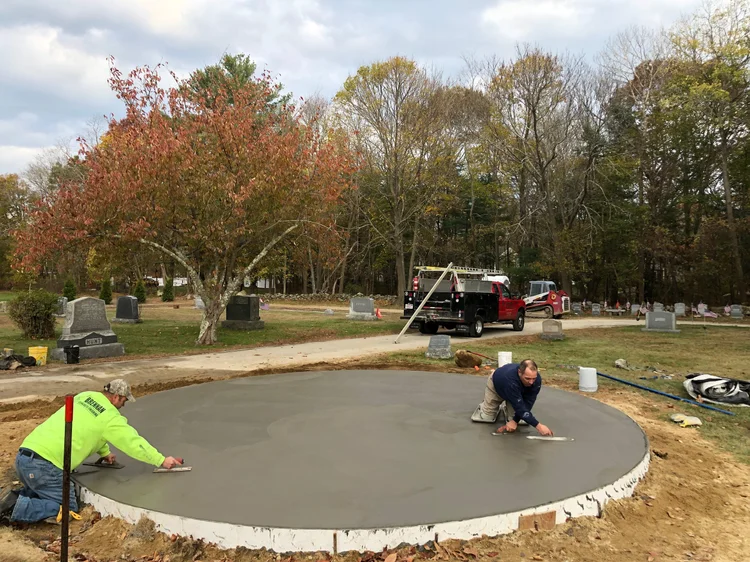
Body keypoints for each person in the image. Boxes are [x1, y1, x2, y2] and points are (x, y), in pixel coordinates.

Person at [0, 379, 183, 524]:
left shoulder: (85, 396)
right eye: (124, 400)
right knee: (68, 508)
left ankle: (13, 499)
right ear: (117, 397)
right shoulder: (110, 417)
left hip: (25, 457)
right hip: (45, 467)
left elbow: (89, 428)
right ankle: (15, 508)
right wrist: (160, 460)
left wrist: (104, 452)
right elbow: (133, 443)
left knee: (43, 490)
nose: (124, 405)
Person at [470, 359, 553, 436]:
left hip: (517, 392)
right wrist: (539, 426)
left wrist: (514, 421)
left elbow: (529, 402)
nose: (531, 382)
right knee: (486, 417)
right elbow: (520, 408)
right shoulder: (510, 380)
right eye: (527, 378)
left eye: (533, 378)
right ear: (519, 372)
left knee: (519, 420)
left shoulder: (536, 380)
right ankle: (484, 407)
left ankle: (508, 408)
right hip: (497, 385)